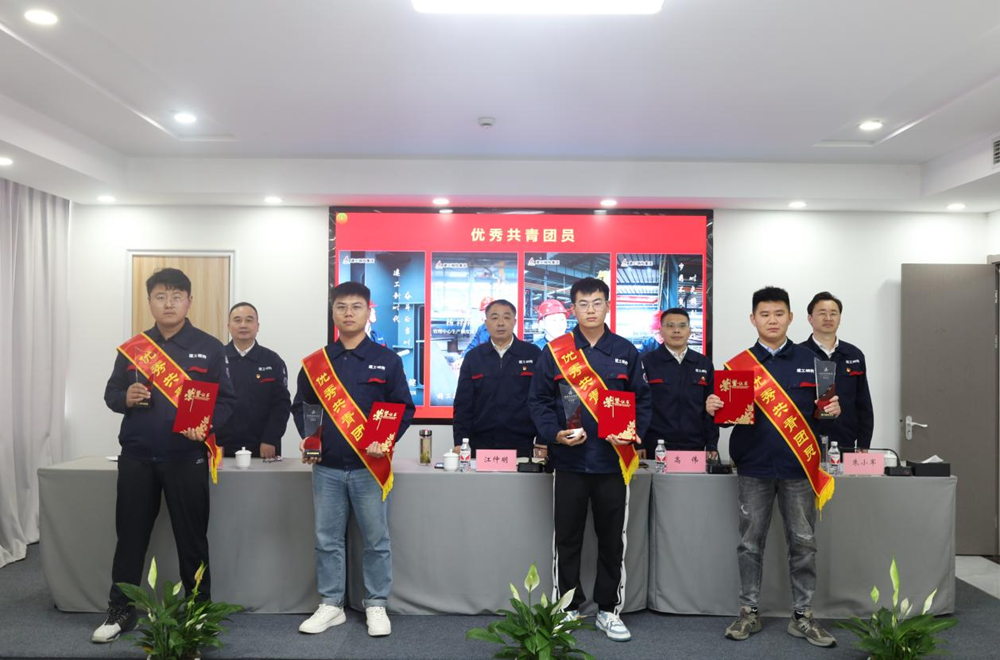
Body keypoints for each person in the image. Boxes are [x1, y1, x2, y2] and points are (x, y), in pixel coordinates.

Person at [93, 268, 236, 643]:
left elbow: (226, 402)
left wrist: (205, 425)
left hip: (186, 457)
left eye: (176, 296)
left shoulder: (210, 347)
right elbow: (111, 394)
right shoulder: (134, 349)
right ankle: (121, 611)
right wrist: (125, 398)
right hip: (137, 457)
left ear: (189, 302)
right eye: (160, 296)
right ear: (150, 302)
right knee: (130, 538)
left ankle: (199, 611)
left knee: (192, 540)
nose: (168, 303)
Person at [705, 286, 840, 648]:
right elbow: (725, 420)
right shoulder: (738, 365)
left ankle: (803, 615)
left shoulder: (814, 362)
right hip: (754, 467)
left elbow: (823, 418)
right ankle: (748, 611)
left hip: (799, 468)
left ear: (791, 317)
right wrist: (715, 407)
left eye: (779, 314)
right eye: (764, 314)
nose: (772, 320)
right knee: (750, 544)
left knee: (804, 543)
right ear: (753, 319)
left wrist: (832, 412)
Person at [529, 277, 651, 643]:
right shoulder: (555, 352)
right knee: (567, 540)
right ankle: (568, 607)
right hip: (570, 461)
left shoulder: (626, 351)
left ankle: (608, 610)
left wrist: (631, 433)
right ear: (573, 309)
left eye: (597, 303)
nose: (591, 310)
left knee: (612, 541)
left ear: (608, 306)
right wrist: (555, 434)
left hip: (613, 462)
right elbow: (538, 401)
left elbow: (643, 401)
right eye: (583, 304)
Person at [293, 281, 414, 638]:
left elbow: (403, 408)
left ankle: (376, 603)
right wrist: (309, 437)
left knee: (376, 540)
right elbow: (302, 407)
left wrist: (386, 439)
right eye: (341, 307)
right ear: (333, 313)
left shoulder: (387, 360)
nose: (348, 313)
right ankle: (331, 605)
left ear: (368, 312)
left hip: (369, 469)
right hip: (327, 467)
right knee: (326, 539)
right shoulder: (316, 363)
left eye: (356, 307)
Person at [453, 300, 541, 457]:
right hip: (480, 444)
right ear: (486, 323)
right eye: (494, 318)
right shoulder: (474, 358)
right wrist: (460, 442)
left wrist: (542, 441)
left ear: (514, 322)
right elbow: (463, 404)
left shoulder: (532, 354)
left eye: (506, 317)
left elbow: (542, 400)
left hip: (522, 444)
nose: (500, 323)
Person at [800, 292, 874, 452]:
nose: (828, 318)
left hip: (845, 441)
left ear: (840, 318)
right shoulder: (799, 355)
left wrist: (864, 444)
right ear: (810, 318)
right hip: (806, 442)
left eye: (833, 313)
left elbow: (863, 403)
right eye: (822, 313)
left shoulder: (854, 355)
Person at [215, 302, 291, 459]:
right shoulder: (216, 358)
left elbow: (281, 404)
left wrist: (270, 438)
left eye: (249, 320)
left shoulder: (272, 360)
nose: (243, 325)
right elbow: (208, 401)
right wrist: (212, 440)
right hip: (221, 445)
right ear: (229, 326)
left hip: (263, 446)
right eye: (237, 320)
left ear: (257, 326)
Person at [641, 308, 718, 456]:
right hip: (656, 446)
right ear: (661, 331)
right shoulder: (647, 362)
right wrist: (640, 443)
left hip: (694, 446)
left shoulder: (704, 363)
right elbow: (639, 404)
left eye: (682, 326)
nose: (676, 330)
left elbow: (711, 408)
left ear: (689, 331)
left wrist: (712, 444)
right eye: (670, 326)